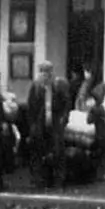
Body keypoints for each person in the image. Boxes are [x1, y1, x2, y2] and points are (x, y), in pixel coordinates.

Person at [26, 60, 71, 189]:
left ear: (51, 73)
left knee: (57, 152)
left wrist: (63, 120)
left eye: (46, 72)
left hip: (55, 124)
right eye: (41, 72)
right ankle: (40, 180)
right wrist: (33, 126)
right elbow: (31, 108)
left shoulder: (58, 86)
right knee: (39, 153)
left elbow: (66, 105)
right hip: (40, 125)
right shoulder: (35, 88)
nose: (43, 75)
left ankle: (58, 180)